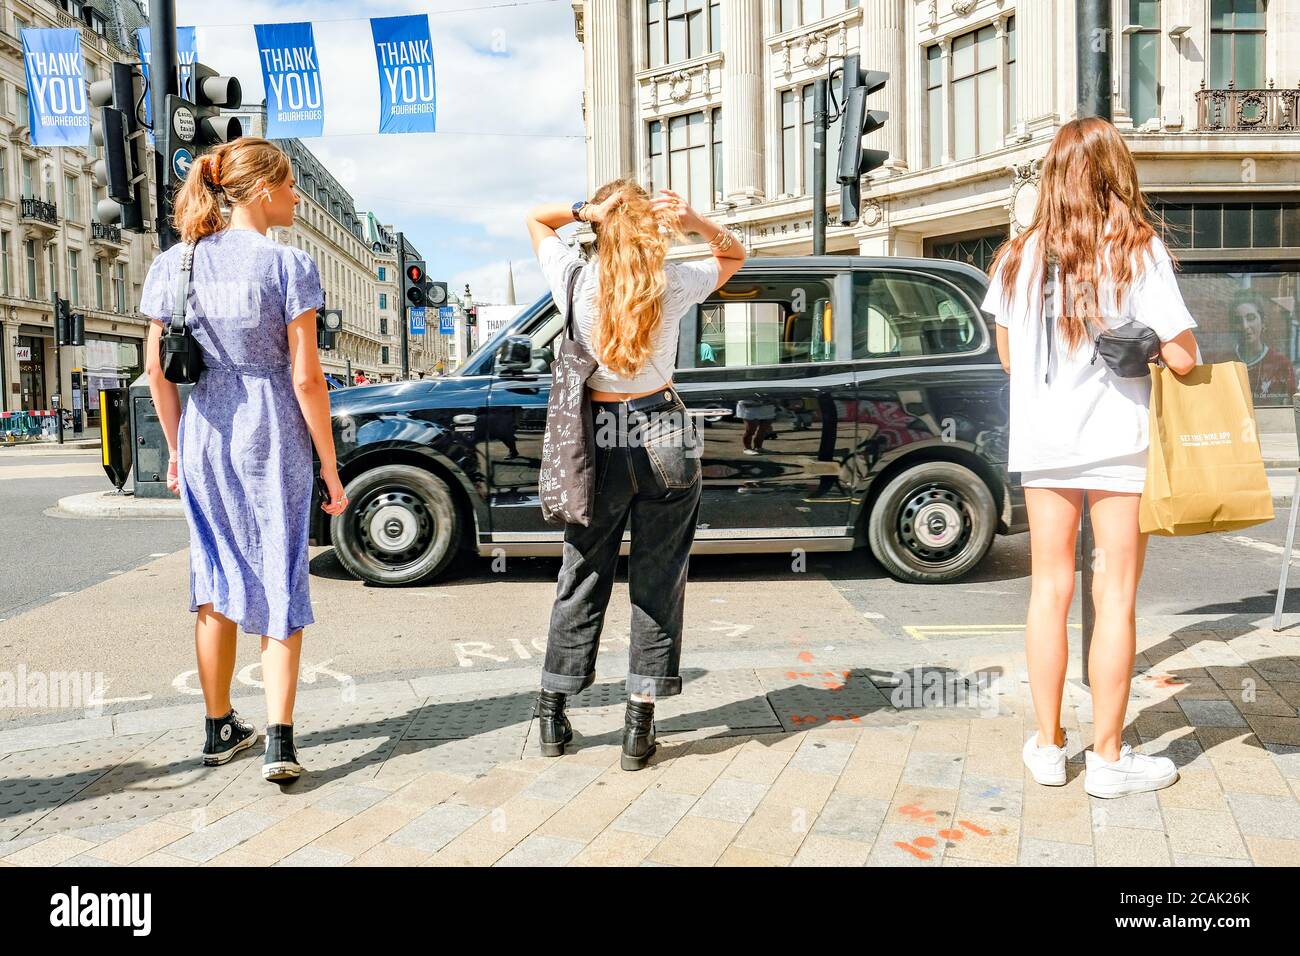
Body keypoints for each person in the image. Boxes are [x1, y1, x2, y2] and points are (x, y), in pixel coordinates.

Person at [983, 117, 1200, 799]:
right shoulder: (1138, 251)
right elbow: (1187, 360)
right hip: (1118, 443)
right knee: (1116, 596)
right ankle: (1107, 760)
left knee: (1049, 592)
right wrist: (1147, 347)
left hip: (1045, 443)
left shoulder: (1018, 255)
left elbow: (1012, 360)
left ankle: (1048, 748)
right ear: (1117, 171)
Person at [141, 137, 348, 784]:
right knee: (279, 570)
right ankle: (280, 741)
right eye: (290, 187)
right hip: (272, 429)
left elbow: (156, 371)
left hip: (205, 428)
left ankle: (217, 727)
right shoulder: (289, 266)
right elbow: (308, 379)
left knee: (214, 580)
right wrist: (332, 469)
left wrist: (177, 451)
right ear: (261, 191)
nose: (296, 197)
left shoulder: (176, 264)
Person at [525, 182, 745, 770]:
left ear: (599, 224)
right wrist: (695, 217)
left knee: (583, 571)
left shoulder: (574, 276)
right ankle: (637, 727)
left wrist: (580, 211)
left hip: (597, 435)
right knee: (659, 578)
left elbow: (536, 219)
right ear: (648, 225)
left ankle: (552, 714)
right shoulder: (670, 282)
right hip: (663, 431)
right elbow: (734, 254)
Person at [1224, 289, 1296, 402]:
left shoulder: (1281, 364)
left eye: (1251, 318)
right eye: (1238, 321)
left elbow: (1293, 407)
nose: (1245, 326)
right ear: (1232, 326)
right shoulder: (1224, 362)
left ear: (1263, 322)